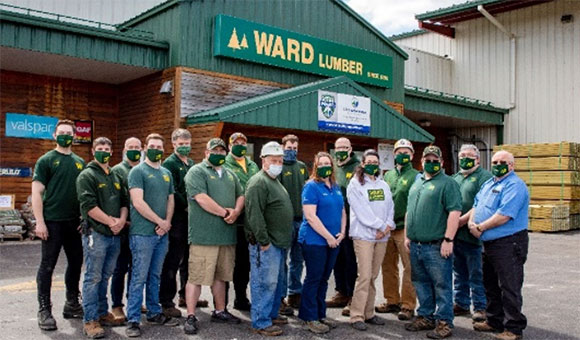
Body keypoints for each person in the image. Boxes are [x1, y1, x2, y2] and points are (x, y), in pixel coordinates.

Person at [183, 138, 245, 335]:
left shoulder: (230, 174)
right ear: (206, 153)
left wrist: (236, 211)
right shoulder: (197, 172)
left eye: (221, 150)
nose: (218, 153)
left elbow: (241, 194)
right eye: (214, 151)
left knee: (221, 276)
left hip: (226, 236)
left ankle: (220, 310)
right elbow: (201, 198)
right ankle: (191, 315)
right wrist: (225, 213)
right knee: (196, 277)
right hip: (204, 236)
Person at [468, 150, 529, 340]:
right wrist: (471, 222)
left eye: (503, 162)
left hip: (508, 243)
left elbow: (505, 214)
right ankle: (494, 320)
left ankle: (513, 328)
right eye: (495, 161)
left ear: (512, 165)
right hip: (488, 243)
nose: (498, 164)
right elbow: (476, 206)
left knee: (509, 286)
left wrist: (480, 227)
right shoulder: (489, 183)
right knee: (490, 283)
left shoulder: (515, 185)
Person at [32, 119, 85, 331]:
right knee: (47, 266)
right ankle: (44, 309)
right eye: (61, 132)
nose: (65, 136)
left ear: (74, 136)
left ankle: (71, 303)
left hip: (74, 224)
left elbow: (84, 194)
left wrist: (83, 218)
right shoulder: (46, 160)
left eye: (69, 133)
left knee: (75, 264)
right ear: (54, 136)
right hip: (52, 223)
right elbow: (37, 192)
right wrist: (40, 222)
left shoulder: (79, 162)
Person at [404, 145, 462, 339]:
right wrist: (407, 235)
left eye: (434, 160)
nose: (430, 163)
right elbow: (409, 210)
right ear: (421, 162)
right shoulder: (417, 181)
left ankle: (444, 322)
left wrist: (448, 239)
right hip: (416, 244)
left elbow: (454, 212)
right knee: (420, 282)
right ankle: (426, 316)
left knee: (442, 285)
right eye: (427, 160)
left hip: (436, 245)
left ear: (442, 162)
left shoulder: (448, 183)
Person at [125, 133, 179, 338]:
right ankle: (133, 319)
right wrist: (160, 222)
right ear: (145, 148)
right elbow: (138, 203)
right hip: (142, 234)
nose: (156, 149)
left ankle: (154, 312)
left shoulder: (166, 173)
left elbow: (170, 200)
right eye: (152, 146)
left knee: (155, 275)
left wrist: (166, 224)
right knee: (138, 276)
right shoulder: (137, 172)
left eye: (159, 146)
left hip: (161, 234)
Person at [77, 137, 128, 338]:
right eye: (100, 148)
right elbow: (88, 206)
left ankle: (101, 311)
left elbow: (124, 201)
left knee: (106, 275)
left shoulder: (115, 175)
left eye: (107, 148)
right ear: (93, 151)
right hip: (96, 234)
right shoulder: (86, 175)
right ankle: (90, 319)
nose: (104, 151)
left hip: (115, 235)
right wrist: (111, 222)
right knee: (93, 277)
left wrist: (121, 221)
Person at [245, 141, 294, 336]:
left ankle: (272, 314)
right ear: (263, 161)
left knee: (276, 282)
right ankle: (261, 321)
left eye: (280, 160)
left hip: (279, 242)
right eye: (274, 160)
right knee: (264, 282)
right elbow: (254, 215)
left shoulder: (274, 181)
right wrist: (263, 241)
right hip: (267, 244)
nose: (278, 163)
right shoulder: (258, 182)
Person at [346, 149, 395, 331]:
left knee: (373, 276)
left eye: (376, 161)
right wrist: (381, 227)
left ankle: (369, 312)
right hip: (364, 236)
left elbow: (391, 206)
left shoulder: (383, 184)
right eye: (370, 162)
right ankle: (356, 315)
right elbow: (362, 211)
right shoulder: (355, 184)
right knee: (364, 276)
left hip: (382, 237)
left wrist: (387, 226)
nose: (373, 164)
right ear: (363, 164)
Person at [298, 152, 346, 334]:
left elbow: (342, 211)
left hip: (334, 240)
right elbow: (310, 216)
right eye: (322, 163)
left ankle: (320, 314)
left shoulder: (335, 186)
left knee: (324, 279)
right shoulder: (311, 187)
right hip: (314, 240)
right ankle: (309, 317)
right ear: (316, 166)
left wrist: (342, 232)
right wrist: (328, 237)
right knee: (314, 278)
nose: (325, 166)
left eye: (328, 163)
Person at [159, 128, 203, 318]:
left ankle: (186, 295)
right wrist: (187, 204)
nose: (185, 147)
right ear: (174, 144)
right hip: (177, 219)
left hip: (191, 220)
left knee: (188, 260)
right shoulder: (169, 164)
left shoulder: (191, 163)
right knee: (172, 261)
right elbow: (172, 191)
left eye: (187, 143)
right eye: (181, 144)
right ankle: (166, 301)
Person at [377, 138, 419, 321]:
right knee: (388, 266)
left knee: (409, 268)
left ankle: (408, 305)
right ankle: (392, 300)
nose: (402, 155)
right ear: (394, 154)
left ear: (412, 155)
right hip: (388, 228)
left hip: (404, 228)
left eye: (406, 152)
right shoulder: (388, 175)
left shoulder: (417, 176)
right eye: (399, 152)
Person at [451, 144, 492, 322]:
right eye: (462, 156)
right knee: (459, 272)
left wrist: (462, 220)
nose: (465, 159)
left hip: (474, 235)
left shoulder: (485, 178)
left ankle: (481, 306)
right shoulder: (455, 178)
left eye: (469, 156)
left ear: (477, 159)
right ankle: (461, 302)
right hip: (456, 236)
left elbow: (480, 204)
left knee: (477, 273)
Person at [222, 132, 259, 312]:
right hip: (231, 219)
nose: (240, 145)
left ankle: (241, 297)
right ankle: (222, 304)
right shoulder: (225, 163)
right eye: (236, 142)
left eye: (243, 143)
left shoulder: (252, 165)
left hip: (249, 220)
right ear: (229, 146)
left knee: (244, 263)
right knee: (228, 263)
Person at [326, 137, 359, 317]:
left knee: (350, 260)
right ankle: (341, 292)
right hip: (334, 221)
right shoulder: (333, 167)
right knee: (337, 259)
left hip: (352, 222)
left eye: (345, 147)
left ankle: (353, 296)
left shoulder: (356, 167)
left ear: (351, 148)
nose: (341, 150)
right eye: (338, 147)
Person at [110, 137, 142, 321]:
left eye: (137, 147)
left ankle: (134, 302)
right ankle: (116, 305)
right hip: (123, 228)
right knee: (119, 268)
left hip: (141, 228)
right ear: (124, 149)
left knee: (137, 268)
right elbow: (115, 199)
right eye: (131, 147)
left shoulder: (144, 169)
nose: (134, 150)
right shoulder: (117, 171)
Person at [278, 134, 309, 312]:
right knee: (282, 259)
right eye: (289, 148)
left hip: (301, 220)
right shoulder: (279, 167)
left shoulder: (302, 167)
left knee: (298, 260)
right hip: (285, 221)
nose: (292, 151)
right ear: (283, 148)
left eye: (295, 149)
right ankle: (280, 296)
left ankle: (294, 293)